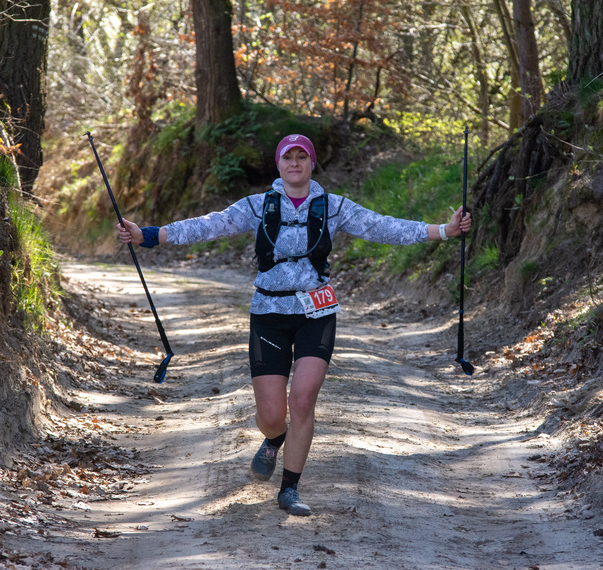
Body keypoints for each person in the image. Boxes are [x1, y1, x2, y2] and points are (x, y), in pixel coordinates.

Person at [117, 134, 472, 516]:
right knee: (272, 416)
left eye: (302, 157)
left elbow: (383, 227)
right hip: (268, 313)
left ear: (311, 163)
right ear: (279, 164)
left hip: (316, 314)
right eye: (288, 157)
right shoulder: (258, 205)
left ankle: (289, 489)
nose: (295, 163)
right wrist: (147, 235)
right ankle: (274, 439)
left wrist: (444, 230)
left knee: (302, 399)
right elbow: (208, 225)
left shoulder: (334, 207)